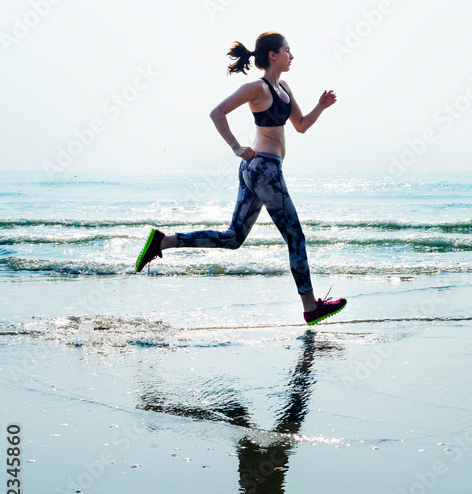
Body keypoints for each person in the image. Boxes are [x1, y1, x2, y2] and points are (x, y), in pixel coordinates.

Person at [135, 31, 346, 325]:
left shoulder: (283, 88)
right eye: (287, 50)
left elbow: (300, 126)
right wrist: (235, 146)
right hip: (264, 170)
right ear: (273, 55)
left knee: (233, 238)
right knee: (295, 236)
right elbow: (217, 112)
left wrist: (320, 107)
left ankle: (163, 242)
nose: (292, 56)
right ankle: (310, 307)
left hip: (259, 171)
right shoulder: (256, 88)